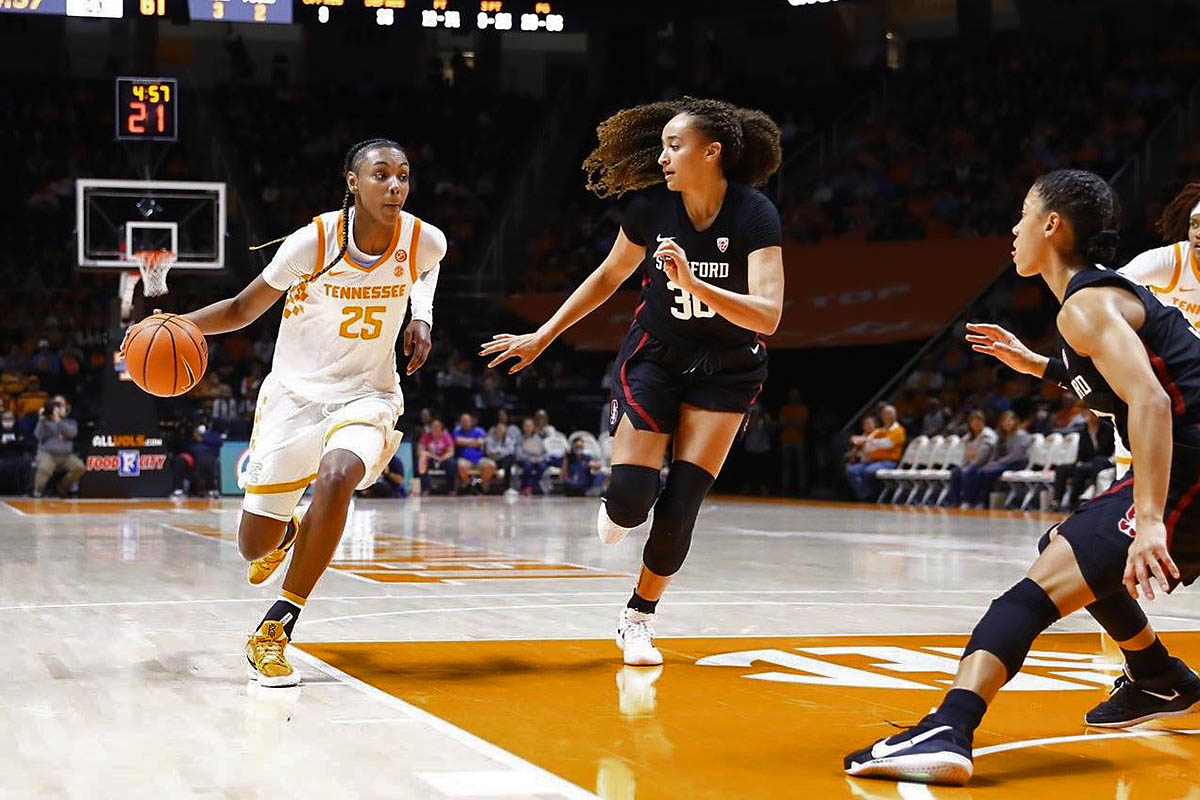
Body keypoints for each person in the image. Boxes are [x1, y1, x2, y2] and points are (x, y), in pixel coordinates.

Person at [846, 170, 1200, 786]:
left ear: (1052, 226)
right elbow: (1113, 387)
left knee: (1026, 597)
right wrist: (1036, 364)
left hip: (1190, 468)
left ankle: (949, 728)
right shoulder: (1089, 306)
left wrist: (1148, 523)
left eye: (1022, 216)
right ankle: (1158, 678)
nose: (1013, 230)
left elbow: (1149, 401)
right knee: (1060, 551)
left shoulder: (1087, 305)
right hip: (1186, 463)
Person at [133, 138, 447, 687]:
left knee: (339, 474)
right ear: (353, 182)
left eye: (402, 175)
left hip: (367, 395)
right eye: (380, 175)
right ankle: (285, 534)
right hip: (295, 400)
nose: (394, 185)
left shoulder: (425, 239)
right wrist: (169, 325)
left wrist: (422, 317)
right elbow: (241, 309)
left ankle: (276, 628)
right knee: (252, 545)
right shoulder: (315, 241)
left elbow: (426, 270)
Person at [481, 97, 784, 666]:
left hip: (729, 365)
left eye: (675, 146)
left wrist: (695, 284)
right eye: (663, 146)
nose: (663, 158)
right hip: (656, 358)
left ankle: (638, 617)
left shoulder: (755, 214)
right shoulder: (650, 210)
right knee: (629, 504)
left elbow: (768, 314)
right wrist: (543, 335)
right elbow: (608, 277)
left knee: (683, 503)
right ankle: (621, 503)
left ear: (711, 152)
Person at [1109, 182, 1200, 480]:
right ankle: (1123, 506)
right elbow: (1110, 289)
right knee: (1132, 439)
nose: (1198, 232)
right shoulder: (1171, 260)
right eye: (1194, 224)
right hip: (1160, 368)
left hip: (1192, 376)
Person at [959, 409, 1030, 508]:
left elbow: (1016, 455)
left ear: (1015, 422)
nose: (1007, 423)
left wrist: (998, 463)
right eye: (1005, 421)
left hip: (1017, 463)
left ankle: (983, 501)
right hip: (1003, 463)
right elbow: (995, 453)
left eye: (1010, 421)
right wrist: (992, 462)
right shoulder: (1001, 436)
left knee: (986, 472)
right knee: (981, 470)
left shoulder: (1021, 435)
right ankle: (973, 500)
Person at [1052, 409, 1115, 509]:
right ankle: (1056, 501)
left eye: (1090, 415)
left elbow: (1105, 449)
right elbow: (1081, 452)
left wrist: (1094, 435)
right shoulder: (1084, 431)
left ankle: (1073, 501)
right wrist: (1078, 462)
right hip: (1086, 461)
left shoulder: (1107, 429)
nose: (1088, 417)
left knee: (1084, 467)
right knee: (1062, 469)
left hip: (1102, 462)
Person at [845, 404, 905, 502]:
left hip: (889, 462)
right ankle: (865, 496)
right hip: (872, 461)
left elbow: (887, 444)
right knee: (852, 470)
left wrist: (868, 441)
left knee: (869, 471)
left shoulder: (899, 430)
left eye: (891, 413)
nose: (888, 416)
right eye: (886, 414)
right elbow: (866, 444)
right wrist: (865, 441)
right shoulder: (878, 431)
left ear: (895, 415)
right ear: (882, 416)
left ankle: (875, 497)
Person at [33, 395, 85, 498]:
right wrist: (41, 420)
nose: (57, 407)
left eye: (60, 405)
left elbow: (72, 433)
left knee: (80, 467)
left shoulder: (70, 422)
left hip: (66, 455)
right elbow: (38, 436)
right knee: (44, 468)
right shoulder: (45, 422)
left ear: (66, 407)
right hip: (47, 454)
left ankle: (62, 488)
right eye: (55, 405)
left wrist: (58, 421)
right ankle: (38, 492)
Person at [946, 409, 996, 508]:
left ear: (983, 422)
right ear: (970, 423)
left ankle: (968, 500)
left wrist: (969, 463)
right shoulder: (967, 437)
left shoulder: (988, 436)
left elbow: (982, 456)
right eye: (973, 421)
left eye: (979, 421)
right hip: (971, 463)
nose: (976, 423)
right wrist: (963, 465)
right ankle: (955, 501)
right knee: (956, 472)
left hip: (986, 464)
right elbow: (964, 455)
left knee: (969, 471)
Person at [777, 388, 808, 496]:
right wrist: (791, 422)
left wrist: (789, 421)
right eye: (791, 395)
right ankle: (786, 486)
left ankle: (802, 487)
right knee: (786, 465)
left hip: (799, 440)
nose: (793, 398)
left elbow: (802, 423)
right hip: (786, 439)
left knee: (801, 465)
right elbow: (781, 422)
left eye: (795, 396)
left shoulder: (802, 409)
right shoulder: (785, 408)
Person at [452, 412, 492, 494]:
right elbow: (458, 441)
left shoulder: (479, 430)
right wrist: (474, 441)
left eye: (467, 421)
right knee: (460, 466)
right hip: (465, 459)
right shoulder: (457, 431)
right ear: (460, 422)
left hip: (479, 459)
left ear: (471, 422)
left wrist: (466, 442)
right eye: (463, 421)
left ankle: (480, 485)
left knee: (491, 465)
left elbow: (481, 442)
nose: (465, 423)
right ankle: (469, 485)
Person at [417, 417, 455, 494]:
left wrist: (443, 457)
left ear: (441, 427)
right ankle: (425, 489)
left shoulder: (446, 436)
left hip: (443, 459)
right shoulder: (425, 436)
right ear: (431, 428)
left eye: (438, 426)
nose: (436, 428)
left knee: (451, 463)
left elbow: (451, 452)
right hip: (430, 459)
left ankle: (451, 489)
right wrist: (426, 454)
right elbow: (420, 451)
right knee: (422, 461)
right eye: (434, 426)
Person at [0, 409, 34, 494]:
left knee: (29, 463)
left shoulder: (19, 430)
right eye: (5, 419)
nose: (8, 421)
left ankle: (28, 491)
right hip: (2, 458)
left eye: (10, 419)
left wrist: (13, 442)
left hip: (17, 458)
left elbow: (27, 444)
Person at [516, 417, 548, 495]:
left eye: (530, 426)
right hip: (525, 460)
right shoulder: (520, 438)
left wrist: (539, 459)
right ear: (523, 427)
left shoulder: (538, 439)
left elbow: (544, 453)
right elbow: (518, 454)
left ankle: (530, 486)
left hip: (538, 460)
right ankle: (532, 487)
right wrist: (530, 459)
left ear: (533, 427)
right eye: (526, 426)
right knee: (528, 465)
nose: (528, 428)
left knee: (543, 466)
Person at [483, 419, 515, 493]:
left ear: (505, 431)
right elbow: (489, 452)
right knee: (507, 460)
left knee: (510, 458)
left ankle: (507, 487)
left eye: (501, 429)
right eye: (498, 429)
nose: (499, 431)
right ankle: (502, 472)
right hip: (493, 461)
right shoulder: (489, 439)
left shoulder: (508, 440)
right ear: (495, 430)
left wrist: (497, 450)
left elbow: (510, 451)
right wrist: (501, 451)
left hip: (504, 460)